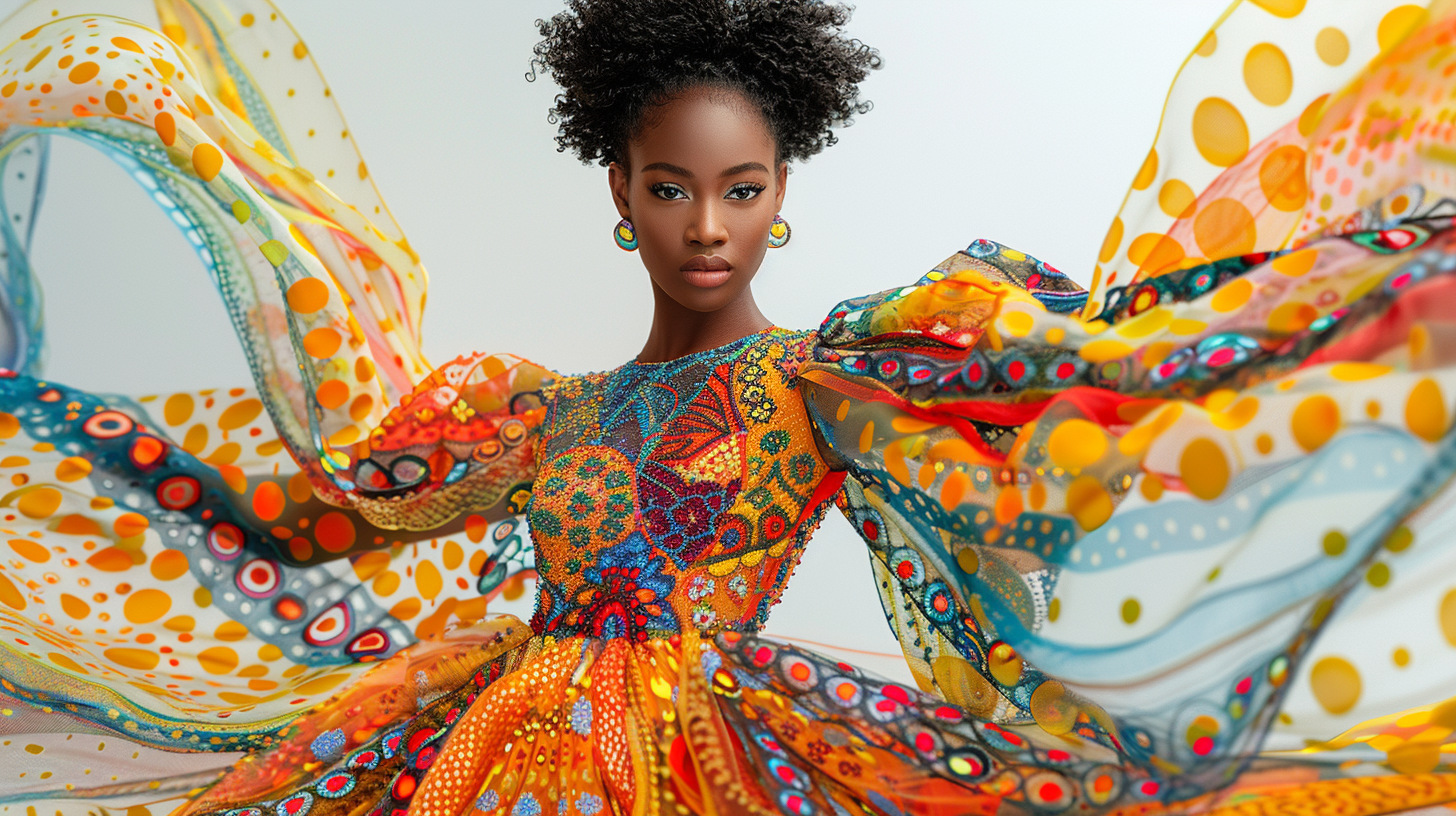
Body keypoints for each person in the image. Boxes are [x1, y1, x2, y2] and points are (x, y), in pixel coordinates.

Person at [0, 0, 1454, 814]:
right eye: (672, 187)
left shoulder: (820, 379)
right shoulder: (536, 413)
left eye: (741, 189)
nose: (707, 225)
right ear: (621, 193)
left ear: (780, 193)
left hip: (722, 756)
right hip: (478, 742)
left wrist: (1352, 317)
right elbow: (338, 491)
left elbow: (1054, 434)